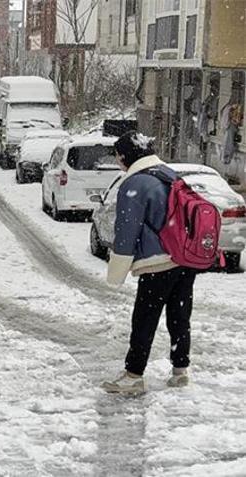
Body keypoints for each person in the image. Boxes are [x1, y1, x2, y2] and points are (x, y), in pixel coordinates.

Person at [102, 131, 196, 394]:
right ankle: (180, 371)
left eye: (119, 156)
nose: (118, 161)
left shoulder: (135, 184)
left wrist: (116, 272)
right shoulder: (168, 174)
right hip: (183, 258)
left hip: (158, 262)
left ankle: (133, 375)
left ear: (125, 156)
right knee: (179, 315)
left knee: (144, 318)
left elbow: (127, 231)